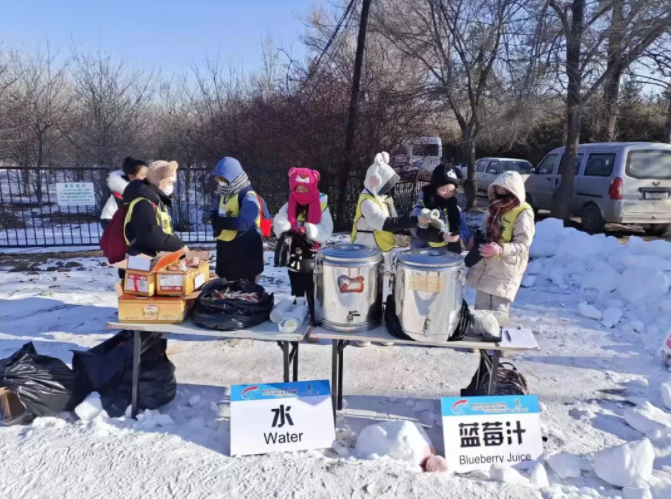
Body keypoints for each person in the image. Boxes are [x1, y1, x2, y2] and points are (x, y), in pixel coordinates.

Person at [351, 151, 431, 346]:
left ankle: (382, 327)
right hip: (365, 252)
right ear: (374, 181)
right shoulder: (367, 201)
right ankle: (363, 329)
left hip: (380, 250)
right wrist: (414, 220)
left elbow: (392, 221)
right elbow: (383, 222)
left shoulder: (379, 198)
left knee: (384, 287)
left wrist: (408, 228)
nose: (388, 188)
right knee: (365, 290)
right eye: (385, 184)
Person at [466, 171, 535, 316]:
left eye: (505, 188)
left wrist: (500, 249)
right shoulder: (493, 207)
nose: (501, 191)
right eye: (498, 187)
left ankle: (495, 337)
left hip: (505, 267)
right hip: (485, 263)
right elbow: (484, 227)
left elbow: (523, 243)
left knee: (498, 314)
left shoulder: (523, 212)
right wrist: (475, 237)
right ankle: (480, 334)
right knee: (481, 312)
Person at [273, 168, 333, 320]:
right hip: (293, 252)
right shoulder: (290, 205)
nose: (300, 191)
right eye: (297, 188)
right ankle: (297, 317)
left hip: (312, 254)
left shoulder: (321, 205)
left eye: (304, 188)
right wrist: (285, 227)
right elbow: (279, 219)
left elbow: (326, 229)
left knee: (312, 288)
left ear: (311, 187)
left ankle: (314, 317)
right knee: (296, 287)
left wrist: (308, 229)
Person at [210, 157, 264, 281]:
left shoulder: (248, 196)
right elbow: (220, 212)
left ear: (233, 177)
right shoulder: (224, 194)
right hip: (227, 252)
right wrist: (213, 216)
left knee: (245, 293)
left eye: (223, 179)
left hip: (245, 254)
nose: (220, 183)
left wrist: (219, 222)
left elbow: (243, 223)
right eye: (219, 179)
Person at [122, 160, 185, 258]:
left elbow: (164, 229)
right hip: (143, 260)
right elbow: (150, 235)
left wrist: (178, 245)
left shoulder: (155, 200)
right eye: (169, 182)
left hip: (153, 255)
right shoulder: (143, 202)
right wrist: (179, 246)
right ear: (159, 181)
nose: (171, 186)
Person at [410, 164, 466, 254]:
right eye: (444, 190)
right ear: (435, 187)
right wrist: (442, 236)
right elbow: (417, 231)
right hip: (424, 252)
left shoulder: (455, 208)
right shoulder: (422, 205)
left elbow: (464, 229)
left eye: (451, 191)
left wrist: (459, 238)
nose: (447, 194)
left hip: (448, 252)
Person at [100, 157, 148, 230]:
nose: (146, 178)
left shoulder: (148, 190)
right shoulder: (120, 195)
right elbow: (106, 220)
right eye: (143, 175)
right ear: (131, 177)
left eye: (148, 174)